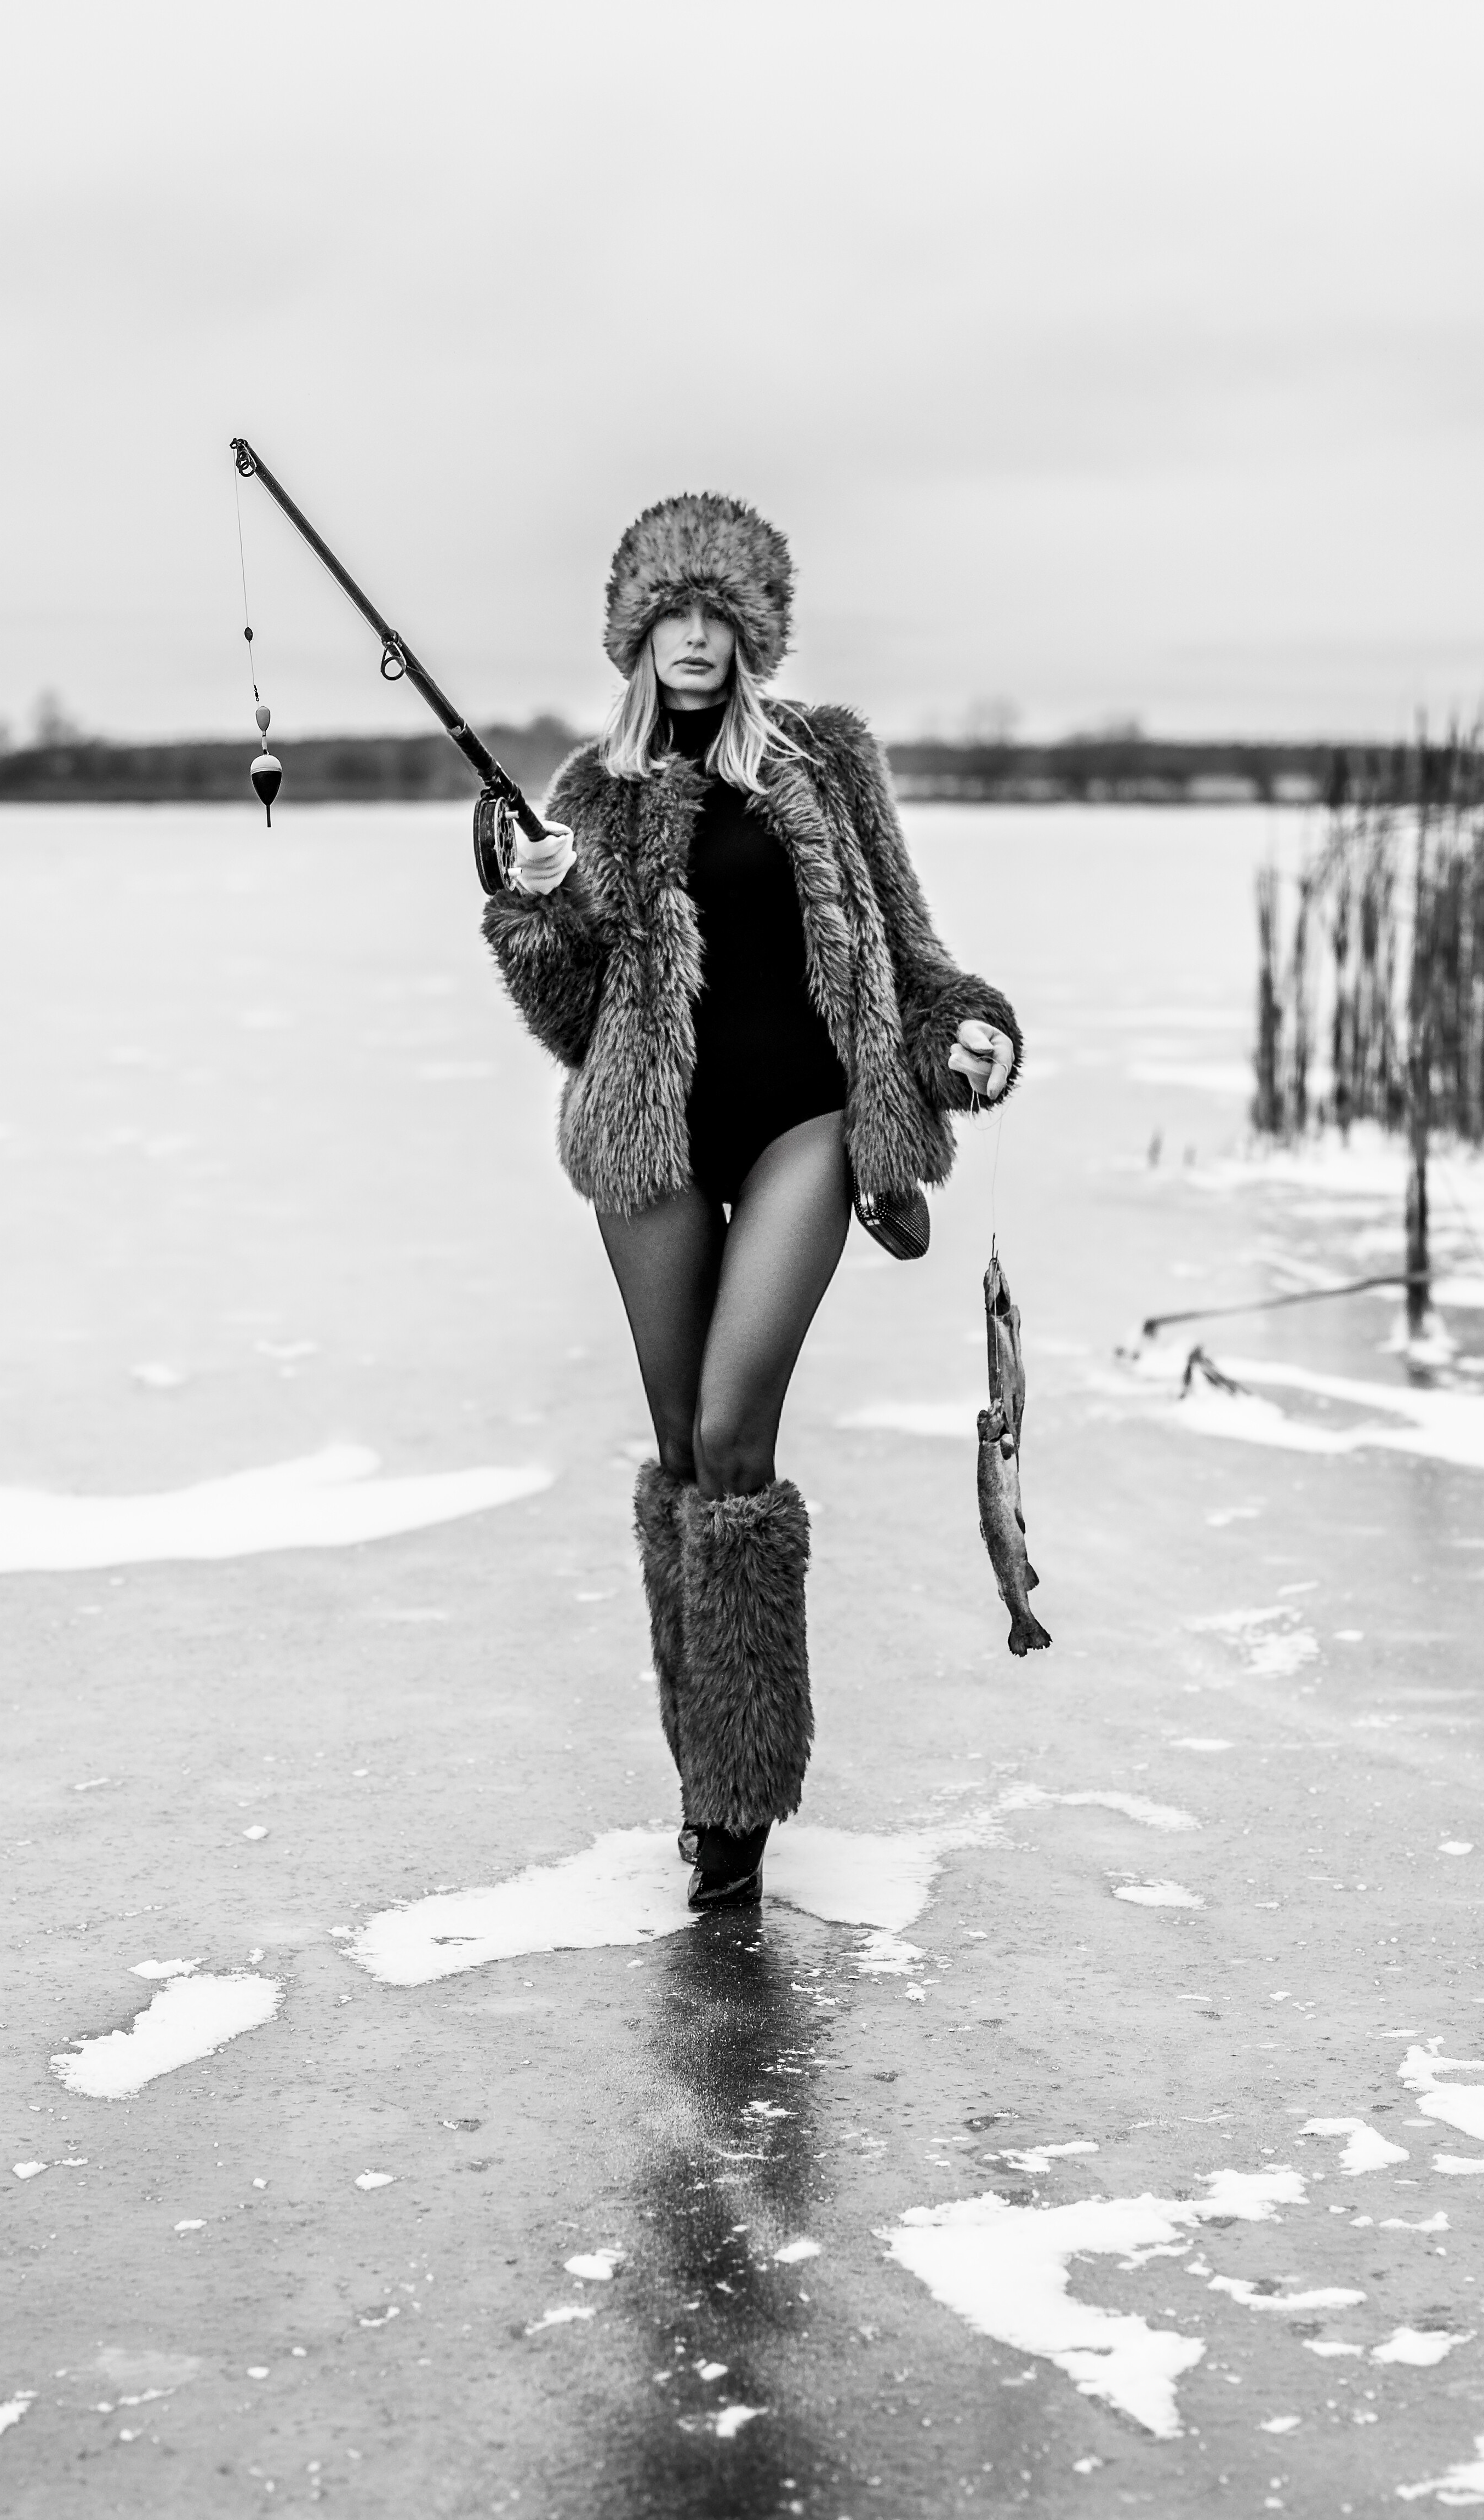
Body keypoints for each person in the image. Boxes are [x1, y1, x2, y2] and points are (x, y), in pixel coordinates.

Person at [481, 495, 1020, 1909]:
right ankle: (705, 1773)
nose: (694, 638)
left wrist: (971, 1034)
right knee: (677, 1450)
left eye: (718, 616)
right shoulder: (594, 794)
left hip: (804, 1127)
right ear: (635, 633)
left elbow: (910, 954)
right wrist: (537, 908)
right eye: (671, 614)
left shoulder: (824, 763)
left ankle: (742, 1805)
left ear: (753, 633)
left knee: (733, 1439)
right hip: (651, 1140)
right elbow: (573, 1018)